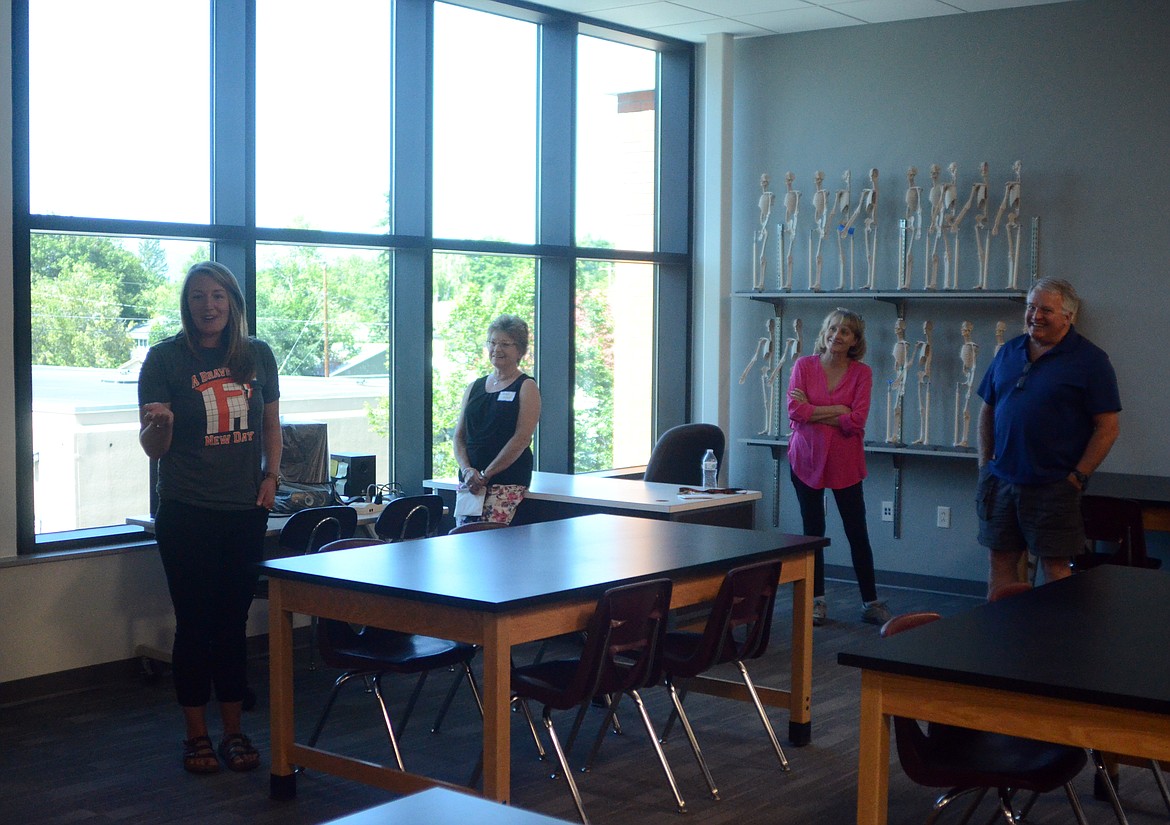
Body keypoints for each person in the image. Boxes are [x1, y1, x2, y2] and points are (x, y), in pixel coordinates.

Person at [138, 261, 281, 775]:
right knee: (196, 625)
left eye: (218, 296)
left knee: (232, 623)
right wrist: (161, 425)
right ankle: (196, 736)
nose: (208, 306)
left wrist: (272, 477)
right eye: (198, 296)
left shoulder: (258, 355)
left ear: (233, 303)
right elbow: (154, 449)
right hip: (187, 512)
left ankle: (235, 731)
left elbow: (270, 423)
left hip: (245, 512)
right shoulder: (164, 359)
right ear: (187, 304)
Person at [976, 277, 1120, 597]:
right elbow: (988, 410)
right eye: (1030, 307)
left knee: (1055, 567)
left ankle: (1055, 643)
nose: (1035, 315)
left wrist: (1078, 475)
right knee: (1000, 559)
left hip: (1054, 485)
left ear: (1068, 317)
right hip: (1001, 482)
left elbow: (1108, 426)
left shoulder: (1091, 361)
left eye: (1046, 310)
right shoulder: (1009, 352)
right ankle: (1000, 639)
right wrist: (986, 465)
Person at [787, 308, 890, 626]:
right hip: (805, 459)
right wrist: (836, 410)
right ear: (824, 332)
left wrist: (814, 410)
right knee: (812, 533)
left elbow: (857, 419)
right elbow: (795, 410)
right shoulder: (803, 366)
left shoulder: (863, 373)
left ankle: (870, 601)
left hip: (845, 462)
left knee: (856, 531)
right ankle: (815, 602)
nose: (837, 335)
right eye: (832, 329)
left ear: (855, 340)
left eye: (845, 331)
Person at [453, 314, 542, 525]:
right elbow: (459, 436)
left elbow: (521, 439)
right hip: (469, 482)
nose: (497, 349)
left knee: (494, 545)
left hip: (505, 481)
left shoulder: (526, 386)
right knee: (465, 541)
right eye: (492, 343)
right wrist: (467, 471)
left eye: (505, 344)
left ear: (520, 350)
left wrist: (486, 474)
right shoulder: (475, 386)